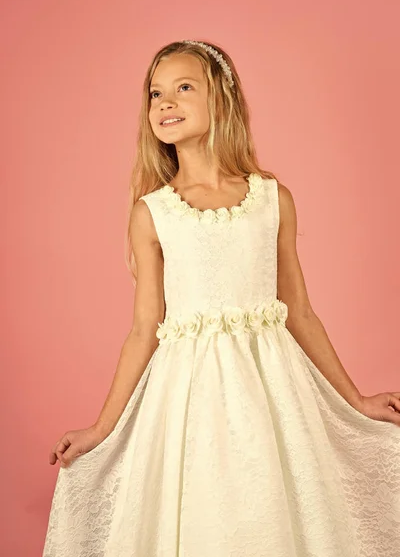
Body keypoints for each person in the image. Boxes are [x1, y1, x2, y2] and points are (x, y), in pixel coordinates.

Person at [42, 40, 400, 557]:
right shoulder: (154, 213)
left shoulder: (271, 199)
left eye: (184, 88)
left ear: (222, 100)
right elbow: (145, 328)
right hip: (187, 398)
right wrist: (102, 428)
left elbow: (298, 310)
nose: (165, 103)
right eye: (155, 93)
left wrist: (356, 399)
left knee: (270, 508)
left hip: (271, 392)